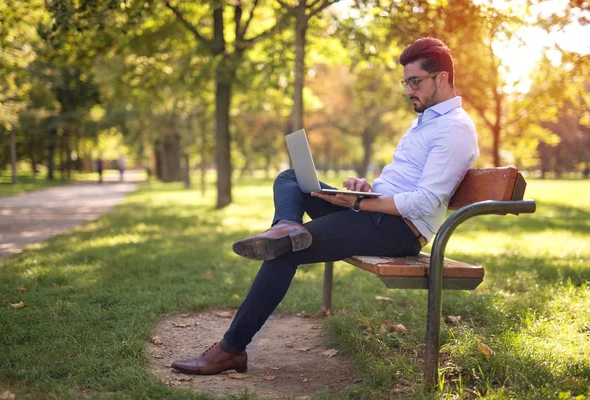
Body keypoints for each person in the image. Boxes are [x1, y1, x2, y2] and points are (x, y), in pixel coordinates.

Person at [171, 37, 480, 375]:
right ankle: (286, 225)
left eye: (415, 82)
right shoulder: (425, 121)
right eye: (405, 82)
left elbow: (424, 201)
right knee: (292, 179)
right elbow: (403, 182)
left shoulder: (454, 129)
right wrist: (366, 190)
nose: (408, 90)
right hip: (374, 212)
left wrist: (364, 205)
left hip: (398, 230)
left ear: (442, 78)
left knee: (284, 251)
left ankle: (229, 350)